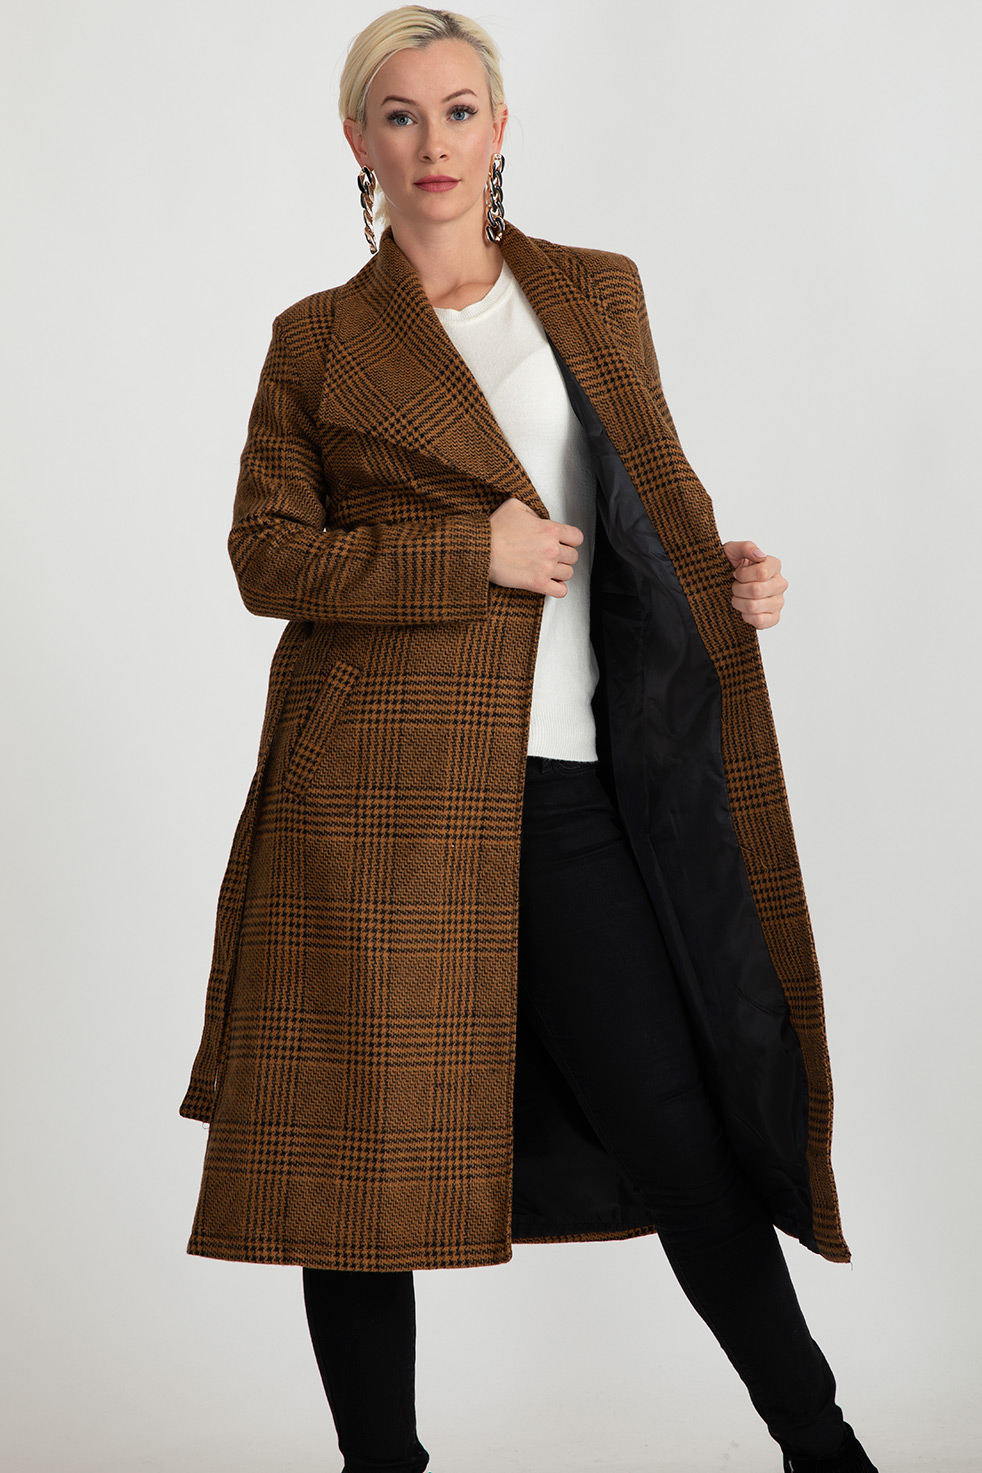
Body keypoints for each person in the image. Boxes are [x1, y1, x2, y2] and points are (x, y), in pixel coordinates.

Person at [180, 8, 878, 1471]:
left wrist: (725, 575)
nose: (430, 143)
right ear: (357, 140)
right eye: (399, 115)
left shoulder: (594, 293)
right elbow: (265, 558)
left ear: (500, 129)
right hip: (372, 805)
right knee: (361, 1177)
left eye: (457, 111)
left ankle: (824, 1449)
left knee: (681, 1136)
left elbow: (645, 503)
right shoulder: (318, 341)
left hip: (566, 789)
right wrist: (465, 556)